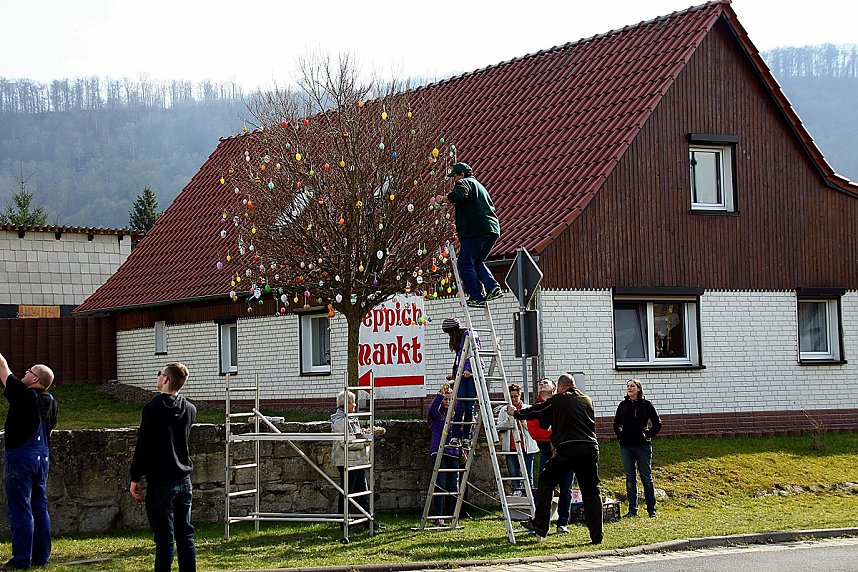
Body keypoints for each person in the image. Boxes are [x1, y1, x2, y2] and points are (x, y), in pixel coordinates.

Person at [510, 373, 602, 544]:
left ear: (560, 387)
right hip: (590, 448)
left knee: (546, 481)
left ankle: (540, 525)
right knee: (591, 491)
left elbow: (538, 410)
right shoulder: (586, 399)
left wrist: (516, 414)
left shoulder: (559, 399)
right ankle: (597, 536)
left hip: (569, 448)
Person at [130, 363, 197, 572]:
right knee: (185, 535)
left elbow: (144, 445)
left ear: (166, 379)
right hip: (184, 479)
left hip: (161, 481)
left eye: (159, 374)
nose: (158, 377)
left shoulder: (152, 409)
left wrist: (135, 477)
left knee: (165, 539)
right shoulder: (190, 409)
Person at [0, 352, 57, 570]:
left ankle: (21, 558)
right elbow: (50, 430)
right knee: (40, 507)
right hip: (42, 458)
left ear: (35, 380)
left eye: (29, 371)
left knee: (21, 508)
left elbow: (3, 368)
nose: (25, 372)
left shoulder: (22, 394)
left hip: (21, 457)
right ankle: (41, 556)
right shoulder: (51, 402)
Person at [446, 162, 502, 307]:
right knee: (477, 262)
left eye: (455, 176)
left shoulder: (464, 182)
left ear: (462, 175)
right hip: (491, 229)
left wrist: (443, 199)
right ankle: (493, 287)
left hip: (476, 231)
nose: (454, 180)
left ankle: (476, 296)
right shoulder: (479, 186)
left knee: (464, 263)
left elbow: (459, 195)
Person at [527, 377, 575, 534]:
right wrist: (554, 434)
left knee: (566, 488)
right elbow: (535, 433)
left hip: (566, 452)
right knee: (544, 489)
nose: (541, 384)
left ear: (555, 388)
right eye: (540, 383)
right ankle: (539, 523)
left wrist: (552, 433)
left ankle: (562, 523)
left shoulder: (562, 404)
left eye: (545, 382)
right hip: (547, 453)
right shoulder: (536, 408)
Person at [613, 378, 662, 518]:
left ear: (638, 389)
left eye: (632, 386)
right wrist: (620, 435)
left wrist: (647, 435)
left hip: (643, 446)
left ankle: (651, 510)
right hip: (626, 446)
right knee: (630, 478)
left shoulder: (646, 405)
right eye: (628, 386)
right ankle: (632, 509)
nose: (629, 388)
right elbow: (616, 423)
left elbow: (657, 423)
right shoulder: (623, 405)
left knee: (646, 478)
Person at [331, 390, 372, 531]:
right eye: (353, 402)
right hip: (346, 461)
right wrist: (364, 443)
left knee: (362, 492)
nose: (355, 405)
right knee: (347, 493)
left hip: (357, 461)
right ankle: (344, 523)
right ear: (346, 404)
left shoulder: (350, 418)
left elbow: (355, 436)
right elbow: (346, 443)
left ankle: (368, 521)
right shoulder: (339, 421)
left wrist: (364, 435)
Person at [441, 317, 480, 448]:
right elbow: (460, 357)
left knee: (468, 407)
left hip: (470, 373)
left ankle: (465, 437)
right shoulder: (461, 337)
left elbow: (472, 354)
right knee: (461, 406)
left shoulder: (467, 335)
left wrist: (468, 369)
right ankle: (456, 436)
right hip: (463, 373)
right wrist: (455, 372)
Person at [426, 382, 461, 527]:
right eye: (445, 399)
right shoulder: (436, 415)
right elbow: (431, 411)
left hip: (453, 452)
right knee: (440, 483)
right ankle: (439, 517)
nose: (447, 402)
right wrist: (440, 395)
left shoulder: (456, 415)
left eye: (449, 399)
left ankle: (453, 515)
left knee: (453, 484)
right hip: (439, 450)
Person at [496, 384, 538, 495]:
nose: (514, 399)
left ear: (520, 396)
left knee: (528, 475)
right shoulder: (503, 410)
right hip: (511, 448)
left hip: (526, 447)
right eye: (511, 397)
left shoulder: (528, 408)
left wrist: (519, 416)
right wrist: (510, 418)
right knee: (514, 475)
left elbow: (531, 427)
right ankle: (517, 499)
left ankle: (530, 500)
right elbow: (499, 427)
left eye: (516, 396)